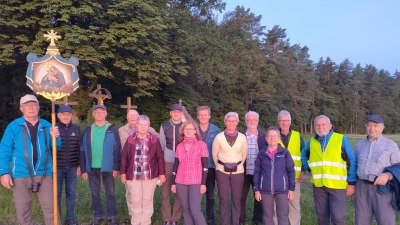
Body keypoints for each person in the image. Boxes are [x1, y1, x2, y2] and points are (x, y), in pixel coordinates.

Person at [0, 94, 61, 225]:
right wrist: (4, 172)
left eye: (33, 105)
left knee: (52, 209)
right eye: (27, 106)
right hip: (20, 174)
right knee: (23, 211)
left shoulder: (47, 125)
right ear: (21, 109)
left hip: (44, 174)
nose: (31, 108)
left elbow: (56, 148)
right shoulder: (14, 126)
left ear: (38, 107)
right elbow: (4, 150)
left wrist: (56, 138)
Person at [301, 115, 356, 225]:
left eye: (323, 124)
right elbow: (303, 154)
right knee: (321, 217)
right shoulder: (312, 141)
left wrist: (351, 183)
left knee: (338, 218)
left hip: (337, 186)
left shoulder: (340, 139)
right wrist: (308, 169)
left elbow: (352, 161)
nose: (320, 127)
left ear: (330, 126)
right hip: (319, 186)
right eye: (317, 125)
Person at [354, 114, 400, 225]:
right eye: (369, 125)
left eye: (375, 125)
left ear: (382, 127)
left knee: (385, 221)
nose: (372, 128)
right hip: (361, 187)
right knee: (361, 221)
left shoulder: (390, 145)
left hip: (382, 189)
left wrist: (388, 175)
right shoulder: (359, 144)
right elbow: (355, 165)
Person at [120, 115, 166, 225]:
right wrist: (123, 173)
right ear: (136, 126)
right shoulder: (130, 139)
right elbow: (124, 157)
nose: (143, 127)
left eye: (145, 125)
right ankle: (135, 222)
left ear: (148, 126)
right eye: (141, 124)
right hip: (133, 175)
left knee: (147, 201)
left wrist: (161, 174)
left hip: (150, 176)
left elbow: (159, 157)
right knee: (135, 201)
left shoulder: (154, 140)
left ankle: (145, 222)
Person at [80, 105, 121, 225]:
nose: (99, 114)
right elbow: (82, 149)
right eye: (96, 112)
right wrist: (83, 169)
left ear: (106, 114)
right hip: (92, 167)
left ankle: (111, 217)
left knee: (111, 193)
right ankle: (98, 216)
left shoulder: (112, 128)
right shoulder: (88, 129)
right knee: (95, 193)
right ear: (93, 114)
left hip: (108, 167)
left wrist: (116, 167)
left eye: (101, 112)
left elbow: (117, 148)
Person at [253, 126, 295, 225]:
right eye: (270, 136)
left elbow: (291, 171)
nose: (272, 138)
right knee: (267, 216)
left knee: (282, 216)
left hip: (282, 190)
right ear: (266, 138)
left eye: (275, 136)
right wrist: (256, 190)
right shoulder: (262, 154)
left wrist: (291, 189)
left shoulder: (284, 153)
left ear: (279, 138)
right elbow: (257, 172)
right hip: (265, 190)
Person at [212, 112, 248, 225]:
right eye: (229, 121)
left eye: (233, 121)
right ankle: (224, 222)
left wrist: (237, 165)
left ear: (237, 122)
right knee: (223, 199)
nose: (231, 123)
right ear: (225, 122)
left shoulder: (242, 138)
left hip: (238, 171)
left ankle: (235, 222)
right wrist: (221, 166)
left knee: (236, 199)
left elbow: (244, 155)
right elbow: (214, 154)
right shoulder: (219, 137)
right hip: (222, 171)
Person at [171, 120, 209, 225]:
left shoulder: (201, 145)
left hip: (196, 181)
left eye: (191, 129)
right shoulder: (179, 146)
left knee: (195, 209)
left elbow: (205, 166)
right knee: (186, 209)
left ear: (195, 131)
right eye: (186, 129)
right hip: (180, 180)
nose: (188, 131)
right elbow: (176, 165)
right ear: (182, 131)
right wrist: (173, 183)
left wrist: (203, 184)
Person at [276, 110, 305, 225]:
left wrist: (303, 171)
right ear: (278, 122)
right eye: (281, 120)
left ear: (290, 121)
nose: (284, 123)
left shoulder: (298, 136)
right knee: (276, 203)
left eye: (286, 120)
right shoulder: (273, 135)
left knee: (294, 204)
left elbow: (304, 155)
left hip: (294, 177)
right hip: (277, 177)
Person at [159, 104, 184, 225]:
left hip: (182, 162)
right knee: (166, 192)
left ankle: (175, 219)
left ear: (181, 113)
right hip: (168, 160)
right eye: (173, 112)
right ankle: (167, 219)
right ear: (170, 113)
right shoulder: (164, 126)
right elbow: (161, 146)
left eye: (178, 112)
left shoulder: (185, 126)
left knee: (179, 191)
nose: (176, 114)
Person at [239, 111, 265, 225]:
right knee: (241, 197)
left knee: (259, 197)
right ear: (245, 121)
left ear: (258, 121)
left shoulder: (265, 136)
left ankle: (257, 220)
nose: (252, 122)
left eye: (254, 120)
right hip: (243, 171)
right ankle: (241, 219)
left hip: (259, 172)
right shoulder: (239, 136)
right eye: (249, 120)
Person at [196, 106, 221, 225]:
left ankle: (210, 219)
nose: (203, 117)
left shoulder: (216, 130)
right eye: (201, 115)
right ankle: (196, 217)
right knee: (195, 195)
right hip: (195, 167)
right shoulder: (193, 129)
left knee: (210, 195)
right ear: (197, 116)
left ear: (209, 116)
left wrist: (217, 163)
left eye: (205, 114)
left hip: (211, 167)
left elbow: (220, 148)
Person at [57, 105, 81, 225]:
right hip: (57, 168)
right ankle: (57, 219)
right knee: (57, 194)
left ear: (71, 115)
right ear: (58, 115)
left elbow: (80, 148)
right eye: (63, 114)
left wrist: (79, 165)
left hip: (72, 167)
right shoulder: (53, 129)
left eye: (68, 114)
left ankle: (70, 218)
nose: (66, 116)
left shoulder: (76, 129)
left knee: (71, 193)